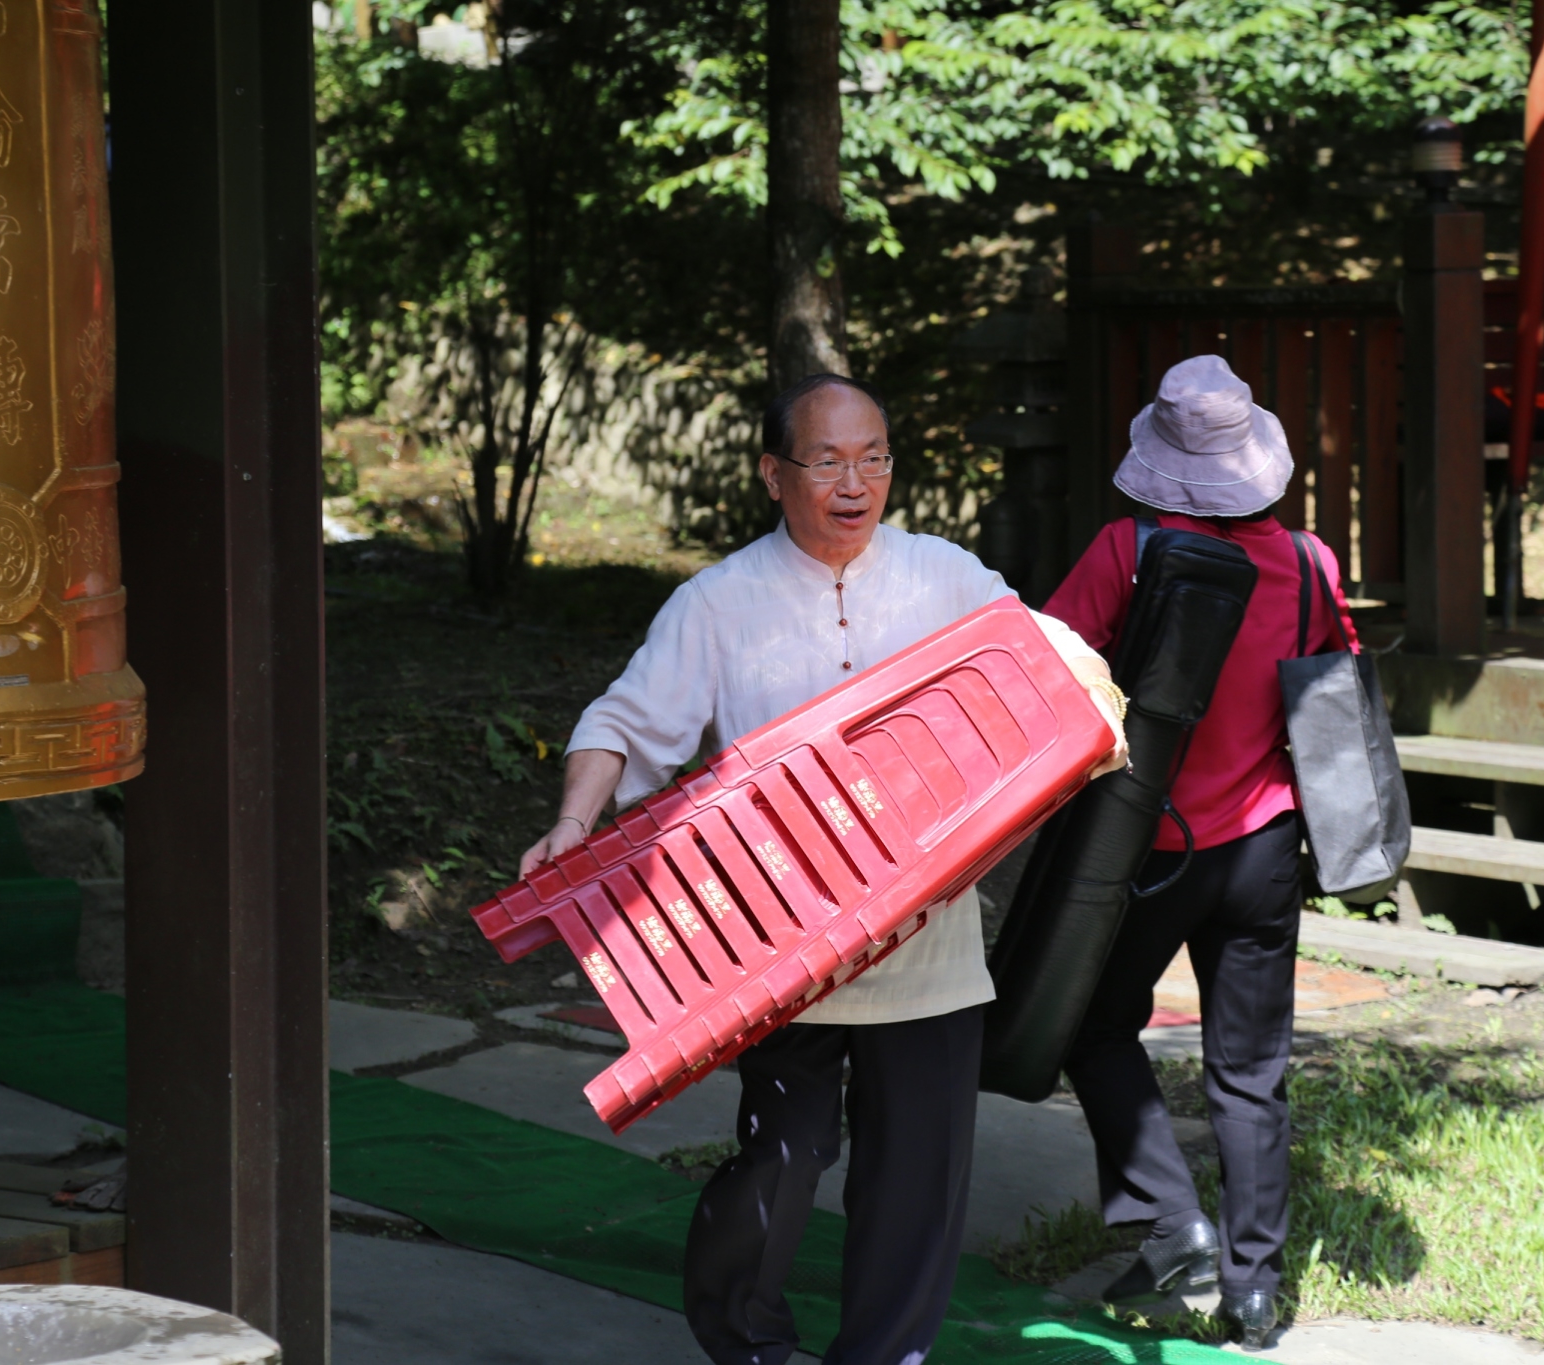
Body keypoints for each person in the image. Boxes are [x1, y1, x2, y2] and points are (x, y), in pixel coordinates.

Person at [517, 374, 1126, 1365]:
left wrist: (1088, 699)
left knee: (916, 1182)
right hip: (782, 955)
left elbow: (1041, 659)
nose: (855, 483)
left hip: (928, 952)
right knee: (780, 1161)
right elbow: (625, 724)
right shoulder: (717, 602)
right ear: (773, 474)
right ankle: (746, 1342)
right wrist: (574, 822)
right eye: (829, 461)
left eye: (874, 458)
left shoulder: (943, 575)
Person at [1038, 355, 1360, 1351]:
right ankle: (1254, 1293)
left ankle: (1169, 1217)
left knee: (1092, 1024)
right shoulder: (1309, 560)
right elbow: (1336, 687)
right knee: (1251, 1072)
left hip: (1151, 846)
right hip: (1265, 850)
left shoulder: (1128, 550)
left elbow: (1048, 669)